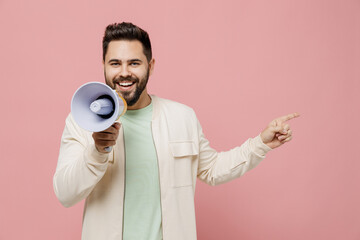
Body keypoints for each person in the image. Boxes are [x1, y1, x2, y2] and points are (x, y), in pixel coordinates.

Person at [53, 22, 299, 240]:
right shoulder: (81, 121)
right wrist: (96, 151)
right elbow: (65, 194)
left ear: (150, 65)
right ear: (104, 66)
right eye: (115, 63)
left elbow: (212, 170)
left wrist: (260, 144)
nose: (124, 72)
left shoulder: (182, 117)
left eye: (134, 63)